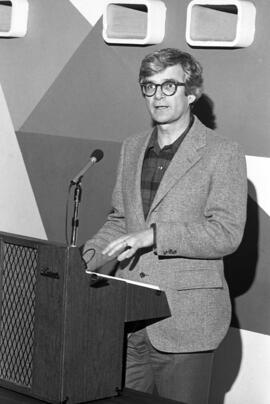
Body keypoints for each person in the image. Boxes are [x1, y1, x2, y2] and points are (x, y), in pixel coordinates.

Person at [82, 48, 247, 404]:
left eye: (169, 86)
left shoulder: (223, 153)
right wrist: (84, 260)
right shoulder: (131, 148)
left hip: (187, 323)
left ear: (192, 92)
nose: (157, 96)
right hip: (128, 319)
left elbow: (226, 233)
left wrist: (155, 235)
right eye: (149, 86)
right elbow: (120, 220)